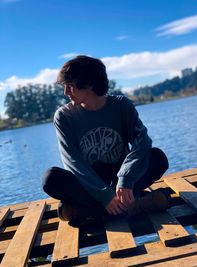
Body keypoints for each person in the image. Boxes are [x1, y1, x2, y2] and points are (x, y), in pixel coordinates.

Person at [42, 55, 170, 226]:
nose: (66, 92)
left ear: (89, 84)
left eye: (70, 86)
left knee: (158, 158)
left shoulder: (120, 105)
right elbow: (73, 161)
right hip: (88, 182)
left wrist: (126, 178)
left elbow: (142, 142)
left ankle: (86, 211)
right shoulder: (64, 116)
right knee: (51, 178)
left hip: (120, 179)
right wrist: (104, 195)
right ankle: (135, 205)